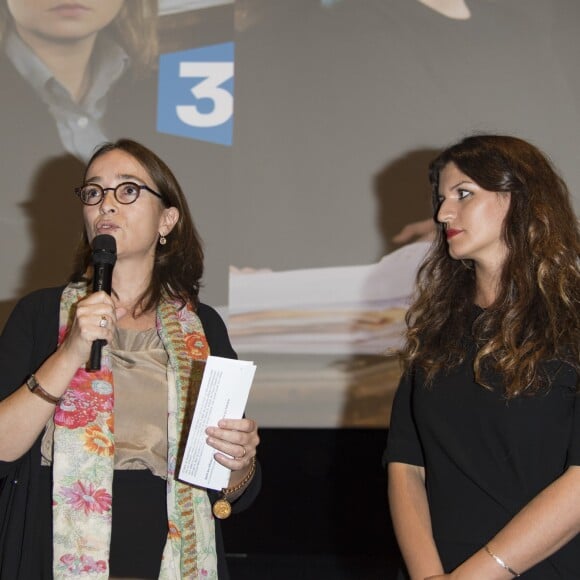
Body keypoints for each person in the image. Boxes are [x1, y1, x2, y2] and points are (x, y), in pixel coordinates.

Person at [0, 138, 261, 579]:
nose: (107, 204)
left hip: (164, 557)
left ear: (168, 220)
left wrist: (241, 461)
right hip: (52, 553)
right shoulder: (40, 314)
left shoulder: (204, 328)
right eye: (94, 192)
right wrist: (69, 353)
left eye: (128, 190)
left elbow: (231, 490)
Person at [384, 134, 580, 579]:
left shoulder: (574, 325)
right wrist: (430, 575)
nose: (442, 214)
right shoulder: (436, 329)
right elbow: (406, 464)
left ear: (520, 200)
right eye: (441, 199)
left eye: (463, 194)